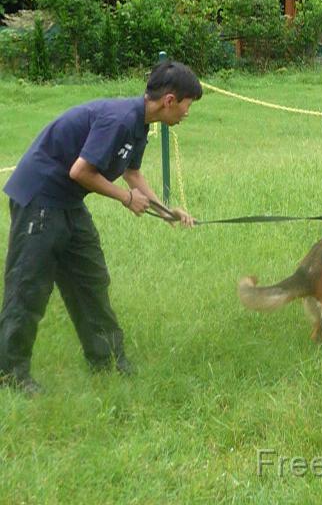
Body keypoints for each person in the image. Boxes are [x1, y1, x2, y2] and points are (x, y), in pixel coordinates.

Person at [0, 61, 201, 395]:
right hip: (40, 197)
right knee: (28, 286)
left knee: (90, 279)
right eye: (187, 104)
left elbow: (132, 174)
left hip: (67, 203)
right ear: (169, 100)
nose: (187, 113)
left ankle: (108, 360)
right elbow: (80, 171)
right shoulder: (119, 119)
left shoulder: (139, 124)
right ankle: (10, 374)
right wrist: (125, 198)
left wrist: (167, 212)